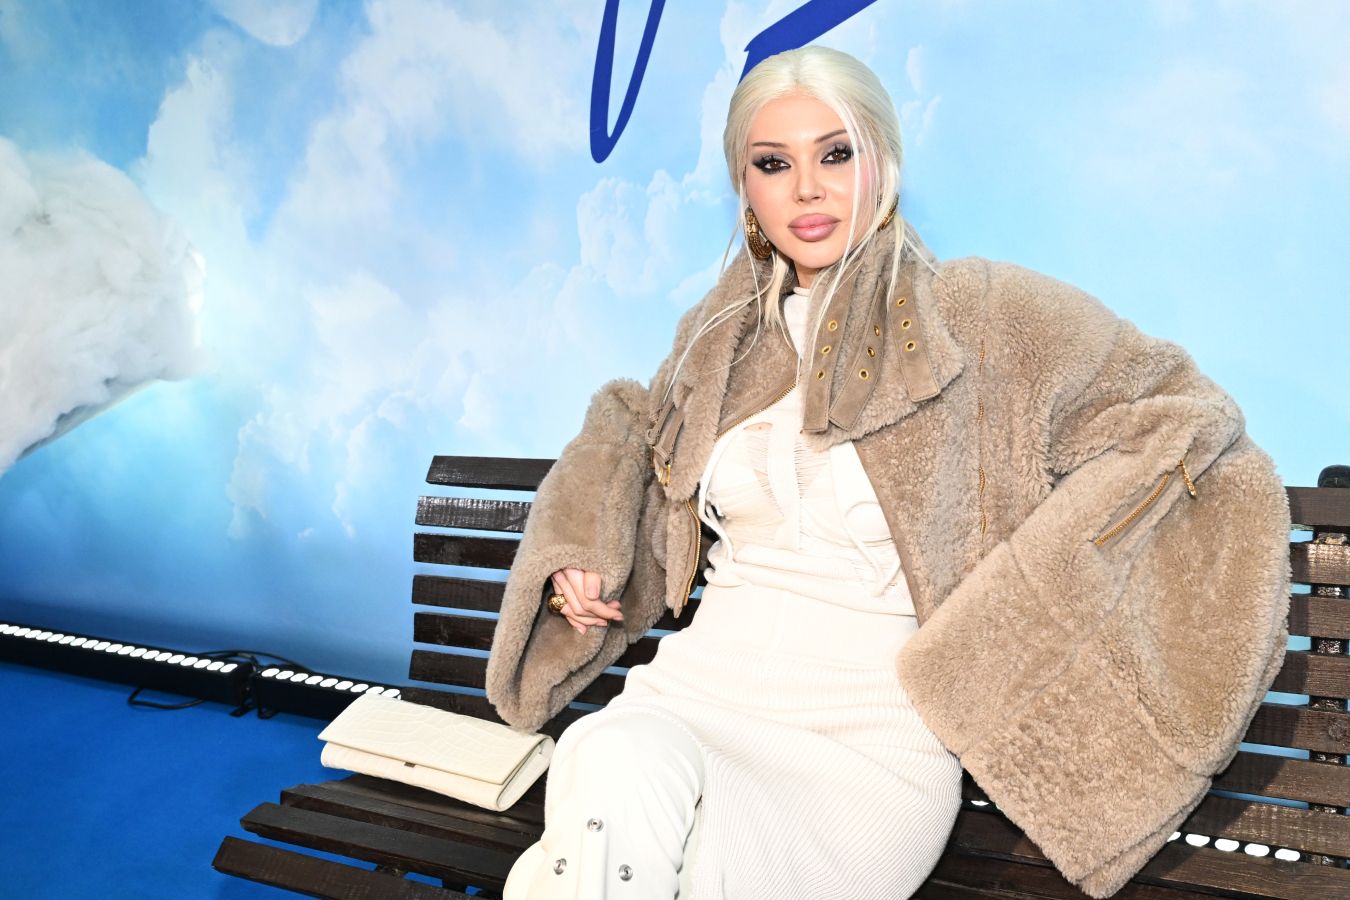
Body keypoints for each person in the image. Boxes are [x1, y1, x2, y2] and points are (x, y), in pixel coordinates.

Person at [486, 45, 1290, 900]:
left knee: (579, 866)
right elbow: (637, 436)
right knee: (608, 752)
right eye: (773, 164)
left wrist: (1031, 593)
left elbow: (1183, 418)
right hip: (692, 697)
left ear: (885, 164)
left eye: (836, 154)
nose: (807, 189)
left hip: (866, 748)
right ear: (745, 188)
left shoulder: (981, 317)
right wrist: (583, 549)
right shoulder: (719, 337)